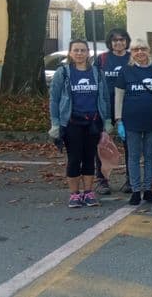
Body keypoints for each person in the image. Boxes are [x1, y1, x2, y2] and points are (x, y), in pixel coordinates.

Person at [49, 39, 112, 208]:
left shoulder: (97, 73)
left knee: (89, 158)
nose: (79, 53)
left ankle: (88, 193)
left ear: (88, 53)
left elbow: (105, 97)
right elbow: (54, 99)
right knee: (74, 158)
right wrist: (55, 123)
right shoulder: (63, 72)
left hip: (93, 123)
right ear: (70, 53)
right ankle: (74, 194)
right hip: (72, 123)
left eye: (83, 50)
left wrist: (106, 121)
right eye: (76, 50)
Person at [114, 38, 152, 205]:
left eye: (143, 48)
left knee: (150, 156)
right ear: (132, 53)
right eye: (136, 49)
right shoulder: (126, 70)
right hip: (131, 121)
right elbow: (119, 96)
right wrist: (119, 120)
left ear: (148, 50)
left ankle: (148, 190)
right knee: (133, 156)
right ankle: (136, 190)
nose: (140, 52)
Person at [94, 28, 131, 195]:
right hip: (105, 107)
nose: (119, 43)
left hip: (127, 107)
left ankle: (131, 180)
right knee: (102, 144)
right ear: (110, 42)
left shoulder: (131, 58)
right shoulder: (102, 59)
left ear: (126, 41)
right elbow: (94, 81)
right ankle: (102, 180)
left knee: (130, 145)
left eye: (122, 39)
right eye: (115, 40)